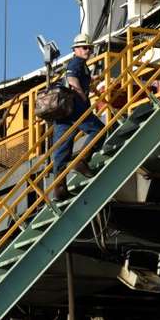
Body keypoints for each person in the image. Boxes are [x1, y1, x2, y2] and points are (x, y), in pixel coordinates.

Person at [52, 33, 105, 200]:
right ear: (75, 49)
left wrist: (92, 79)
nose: (88, 50)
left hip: (64, 112)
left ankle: (59, 188)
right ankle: (81, 161)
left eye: (90, 48)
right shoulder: (77, 62)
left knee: (62, 149)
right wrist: (82, 95)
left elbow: (77, 78)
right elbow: (72, 78)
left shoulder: (83, 66)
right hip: (75, 107)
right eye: (84, 47)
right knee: (98, 130)